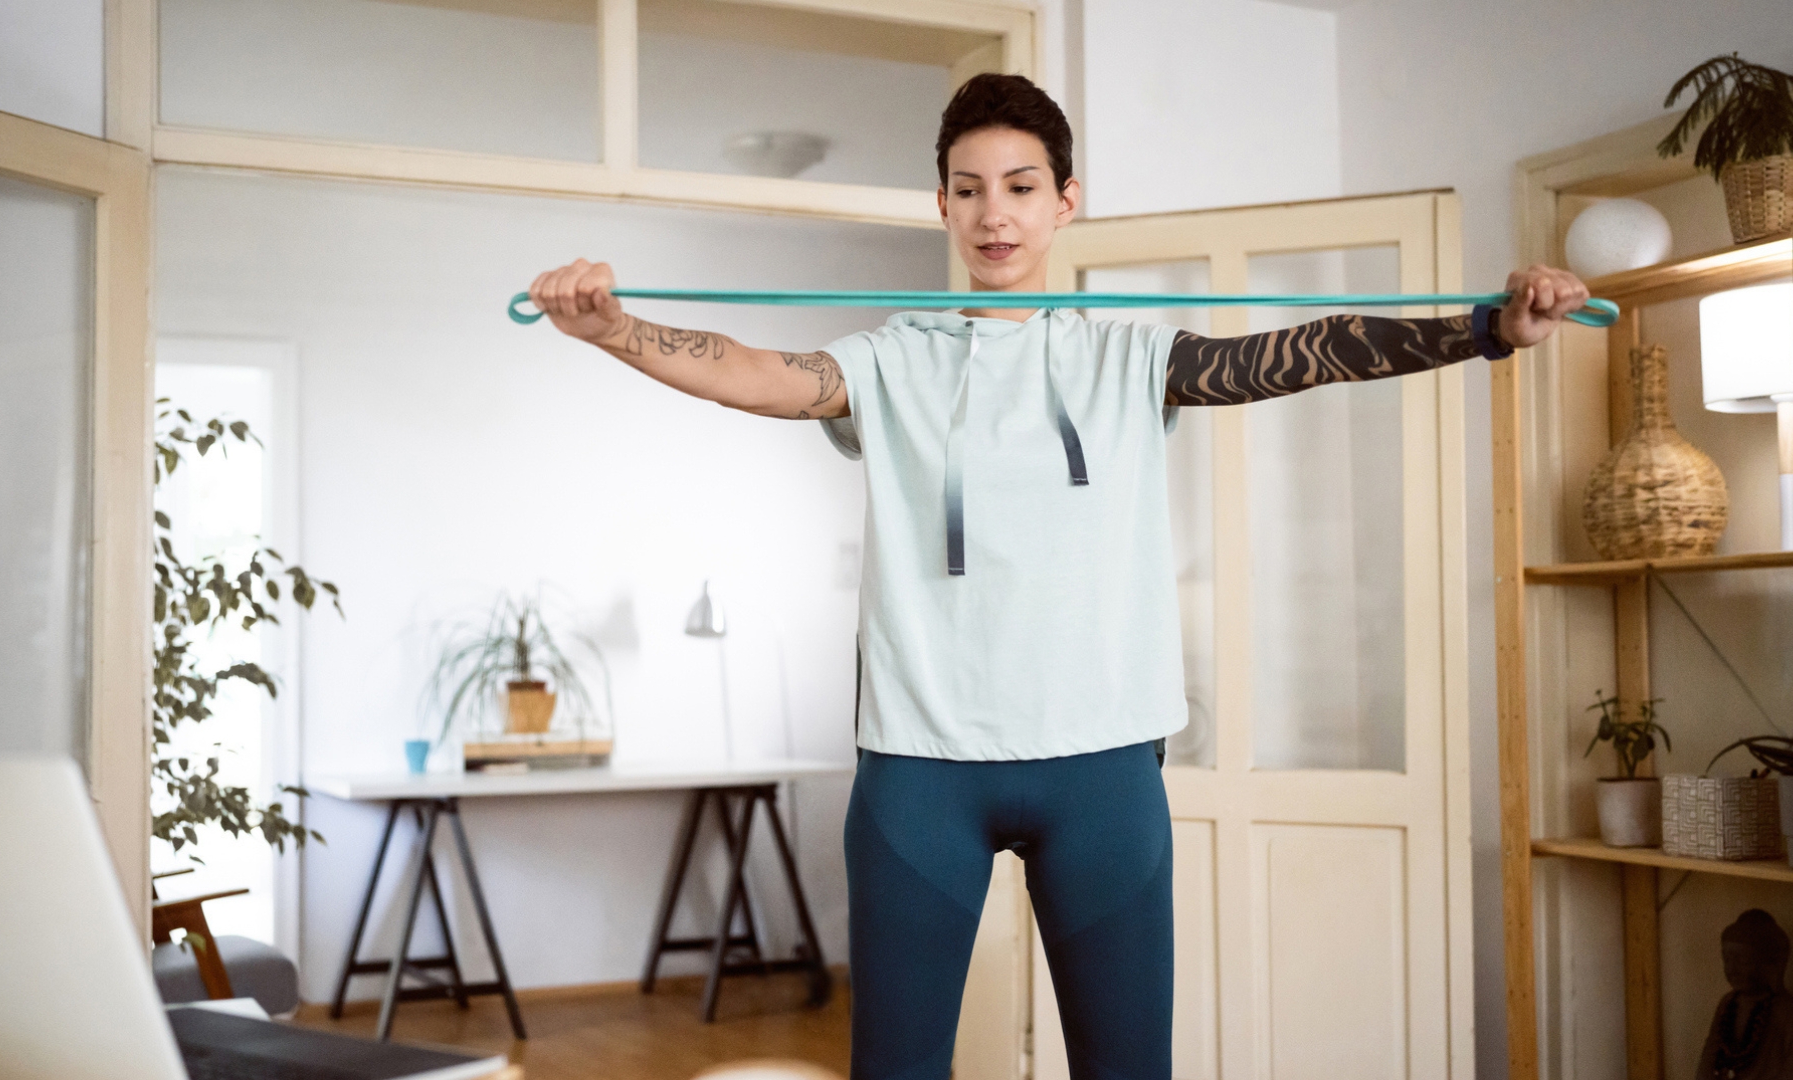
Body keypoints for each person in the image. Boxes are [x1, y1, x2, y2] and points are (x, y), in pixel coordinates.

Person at [526, 73, 1589, 1080]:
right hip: (920, 769)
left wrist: (1491, 329)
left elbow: (1300, 353)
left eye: (1023, 188)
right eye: (972, 189)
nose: (997, 214)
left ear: (1066, 201)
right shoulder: (893, 360)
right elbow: (753, 375)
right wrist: (614, 329)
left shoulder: (1126, 356)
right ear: (940, 203)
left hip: (1101, 771)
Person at [1699, 909, 1793, 1080]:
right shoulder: (1727, 1003)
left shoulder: (1786, 1010)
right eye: (1726, 959)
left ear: (1767, 964)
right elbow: (1710, 1055)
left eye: (1742, 960)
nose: (1732, 969)